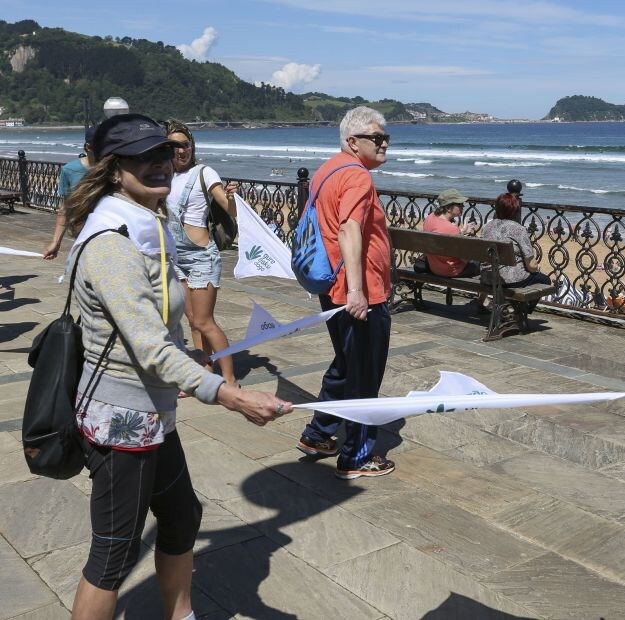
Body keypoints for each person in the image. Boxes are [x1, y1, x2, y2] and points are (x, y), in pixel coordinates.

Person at [64, 113, 291, 620]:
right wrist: (230, 394)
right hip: (122, 418)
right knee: (113, 552)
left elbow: (159, 333)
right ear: (113, 168)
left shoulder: (150, 226)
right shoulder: (113, 244)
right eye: (143, 157)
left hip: (153, 413)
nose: (160, 164)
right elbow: (150, 348)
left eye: (164, 154)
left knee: (182, 518)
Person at [294, 106, 395, 479]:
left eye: (386, 137)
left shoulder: (328, 170)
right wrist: (357, 291)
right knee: (364, 376)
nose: (384, 143)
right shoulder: (357, 178)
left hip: (333, 286)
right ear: (353, 142)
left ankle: (319, 434)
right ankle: (357, 456)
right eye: (376, 137)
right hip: (360, 292)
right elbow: (349, 230)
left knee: (346, 364)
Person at [163, 119, 240, 386]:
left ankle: (230, 380)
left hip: (200, 257)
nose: (180, 151)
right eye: (173, 146)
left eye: (184, 145)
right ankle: (204, 373)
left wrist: (230, 199)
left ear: (192, 146)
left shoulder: (205, 172)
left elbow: (227, 206)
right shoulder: (165, 176)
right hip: (176, 258)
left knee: (206, 322)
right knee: (193, 322)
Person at [43, 125, 95, 259]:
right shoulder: (70, 170)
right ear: (88, 147)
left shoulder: (116, 169)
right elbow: (65, 208)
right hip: (83, 234)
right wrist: (56, 242)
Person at [482, 192, 551, 289]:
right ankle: (520, 304)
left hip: (487, 277)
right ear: (515, 210)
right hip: (509, 280)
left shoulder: (486, 227)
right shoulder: (518, 229)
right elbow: (531, 265)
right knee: (545, 280)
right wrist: (536, 268)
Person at [423, 188, 480, 277]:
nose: (463, 207)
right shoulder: (451, 229)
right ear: (448, 208)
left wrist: (462, 232)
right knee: (480, 263)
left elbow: (441, 234)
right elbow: (465, 259)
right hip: (451, 270)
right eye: (460, 205)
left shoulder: (430, 218)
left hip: (433, 267)